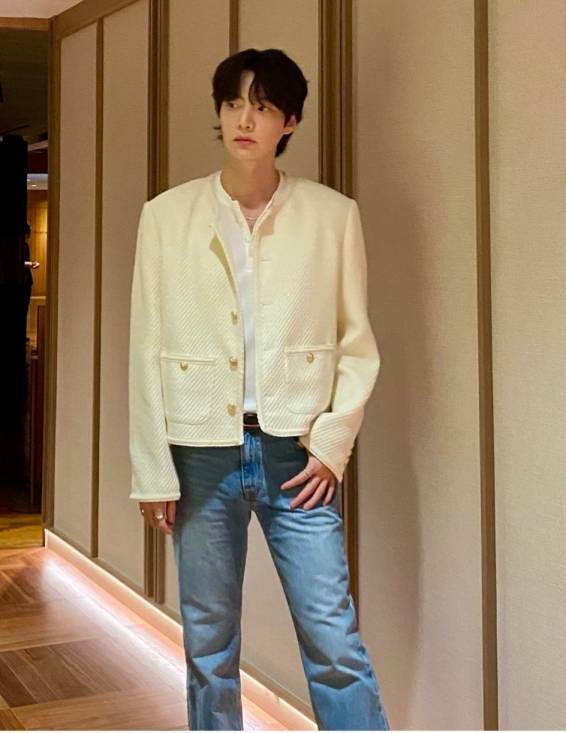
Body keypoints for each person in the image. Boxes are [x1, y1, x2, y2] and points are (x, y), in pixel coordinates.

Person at [128, 48, 390, 731]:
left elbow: (356, 342)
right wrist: (153, 468)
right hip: (198, 455)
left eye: (263, 106)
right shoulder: (166, 216)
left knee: (333, 641)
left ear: (290, 121)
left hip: (295, 454)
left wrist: (332, 444)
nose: (245, 119)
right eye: (233, 103)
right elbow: (145, 348)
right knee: (208, 645)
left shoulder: (332, 216)